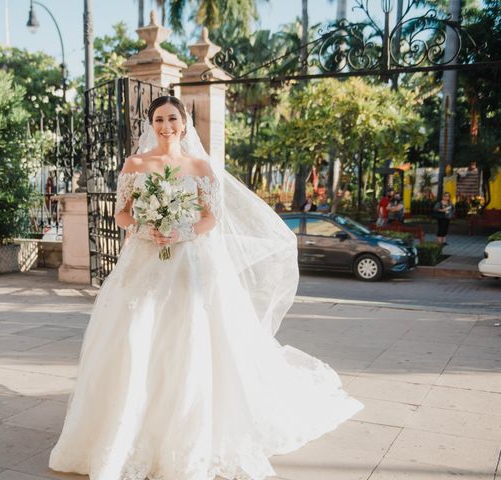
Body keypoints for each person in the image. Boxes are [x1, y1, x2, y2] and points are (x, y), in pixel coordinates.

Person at [49, 96, 362, 479]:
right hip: (144, 261)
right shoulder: (135, 164)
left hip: (189, 265)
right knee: (134, 337)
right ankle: (124, 429)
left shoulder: (200, 166)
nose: (166, 126)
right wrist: (145, 227)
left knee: (188, 339)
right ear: (151, 124)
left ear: (184, 123)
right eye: (159, 119)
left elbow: (212, 217)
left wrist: (180, 230)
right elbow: (122, 211)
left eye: (172, 118)